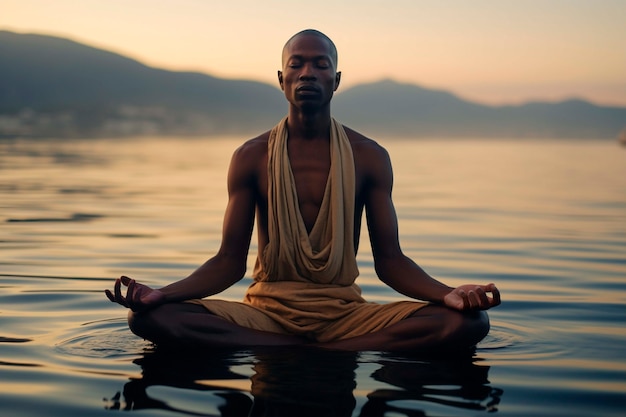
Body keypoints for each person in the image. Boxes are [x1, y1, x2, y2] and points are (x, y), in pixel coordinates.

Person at [105, 29, 500, 352]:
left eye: (320, 64)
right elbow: (228, 262)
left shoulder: (369, 156)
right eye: (296, 64)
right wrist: (162, 294)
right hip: (266, 313)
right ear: (282, 80)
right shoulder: (251, 156)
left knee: (467, 322)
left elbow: (391, 262)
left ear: (336, 80)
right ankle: (312, 348)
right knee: (148, 317)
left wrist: (449, 294)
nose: (308, 72)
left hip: (346, 314)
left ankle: (302, 350)